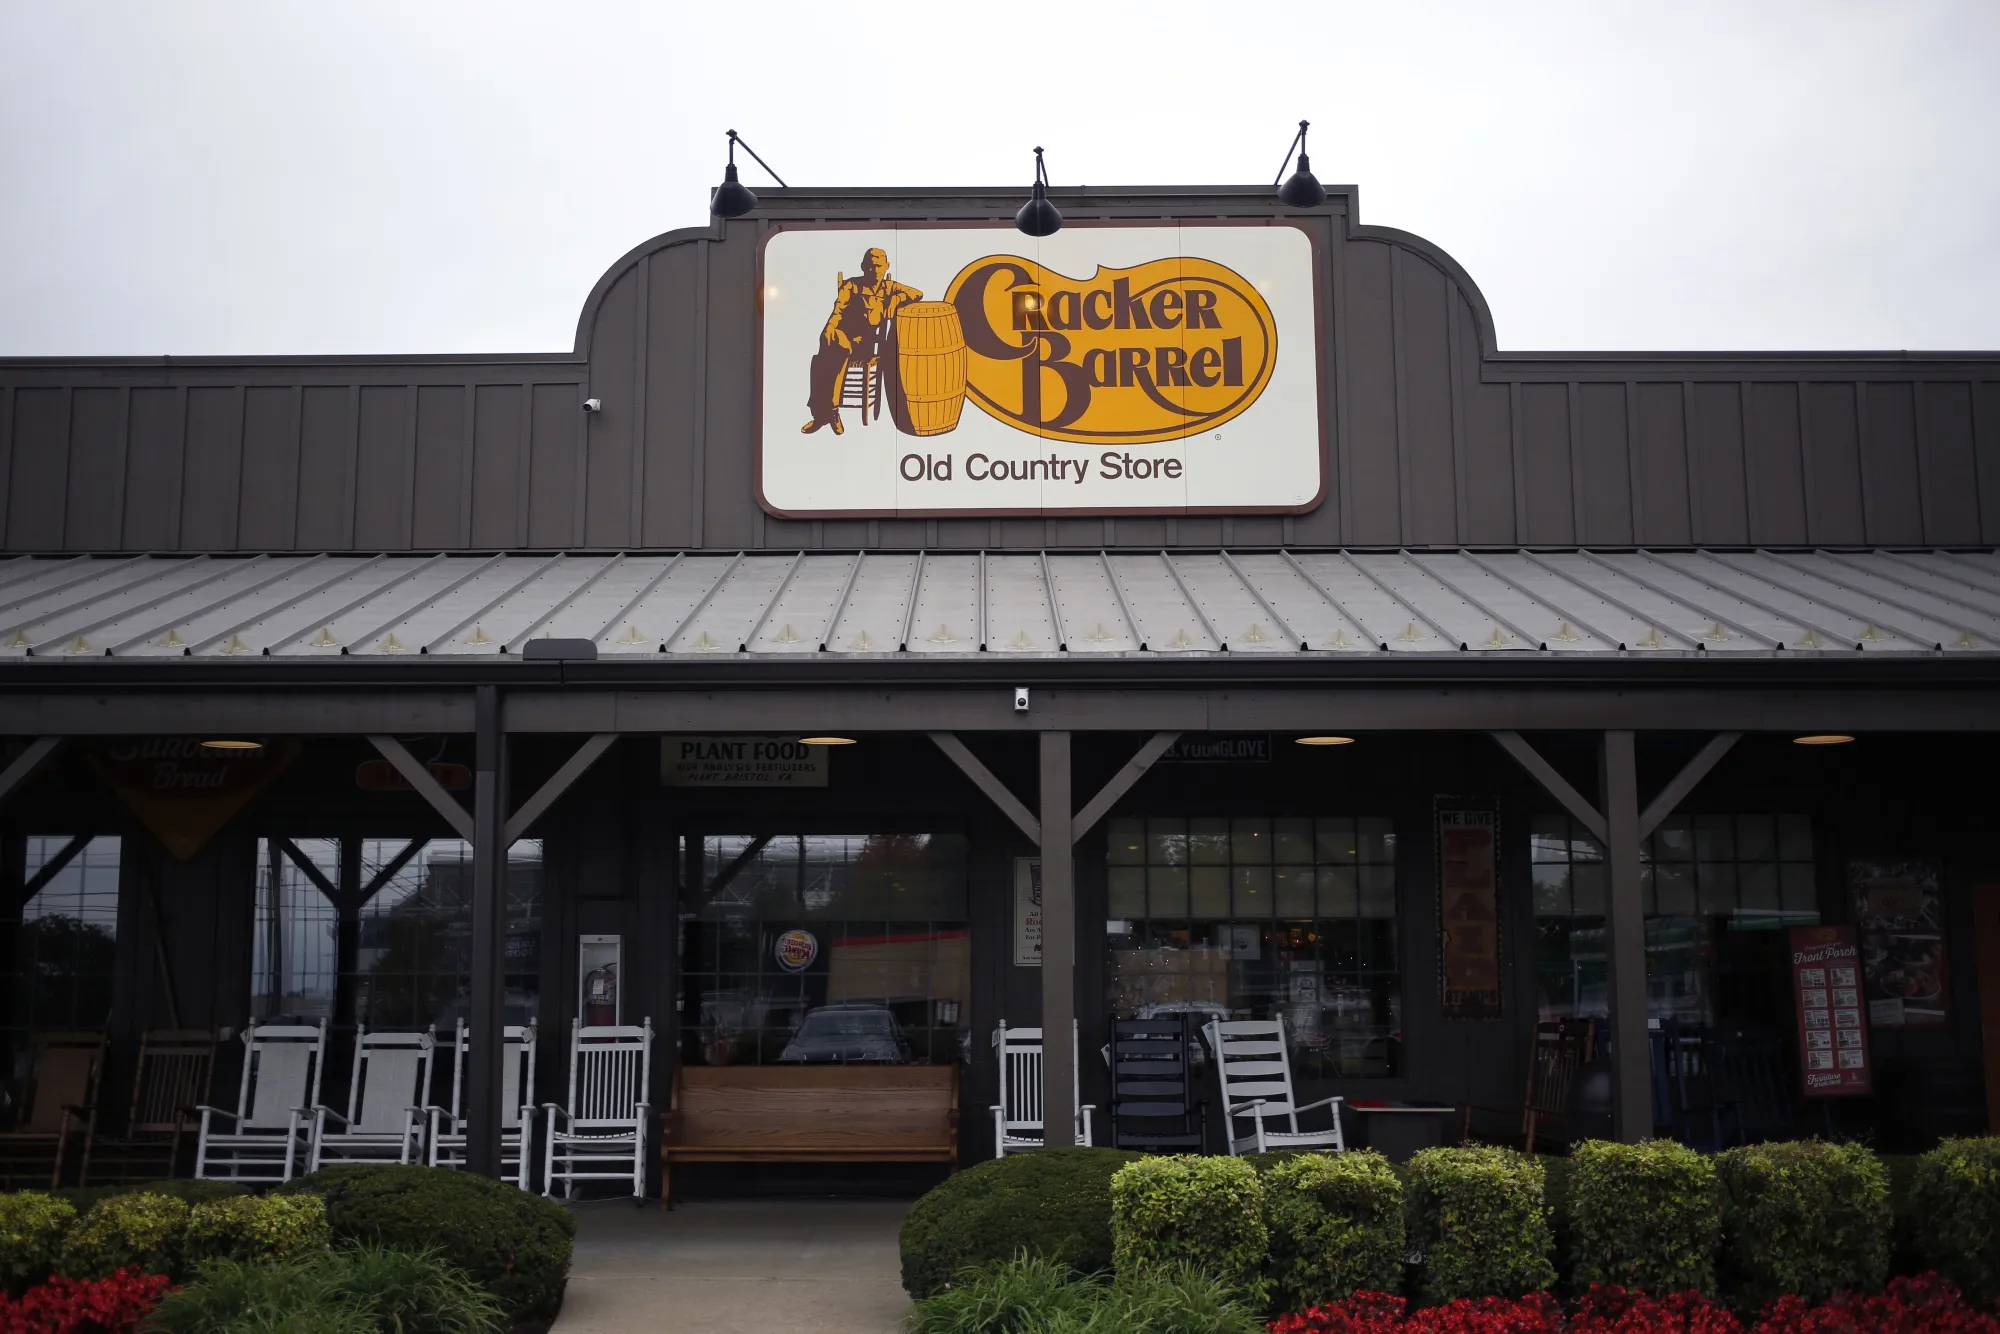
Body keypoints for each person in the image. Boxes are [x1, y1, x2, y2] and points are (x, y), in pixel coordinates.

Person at [801, 247, 922, 435]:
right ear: (863, 267)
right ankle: (827, 413)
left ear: (886, 266)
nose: (875, 271)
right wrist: (829, 329)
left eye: (879, 266)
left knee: (828, 357)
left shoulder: (890, 288)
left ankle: (824, 415)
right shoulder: (852, 286)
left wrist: (896, 299)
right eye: (871, 266)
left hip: (865, 344)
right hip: (843, 338)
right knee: (825, 353)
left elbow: (917, 293)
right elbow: (837, 311)